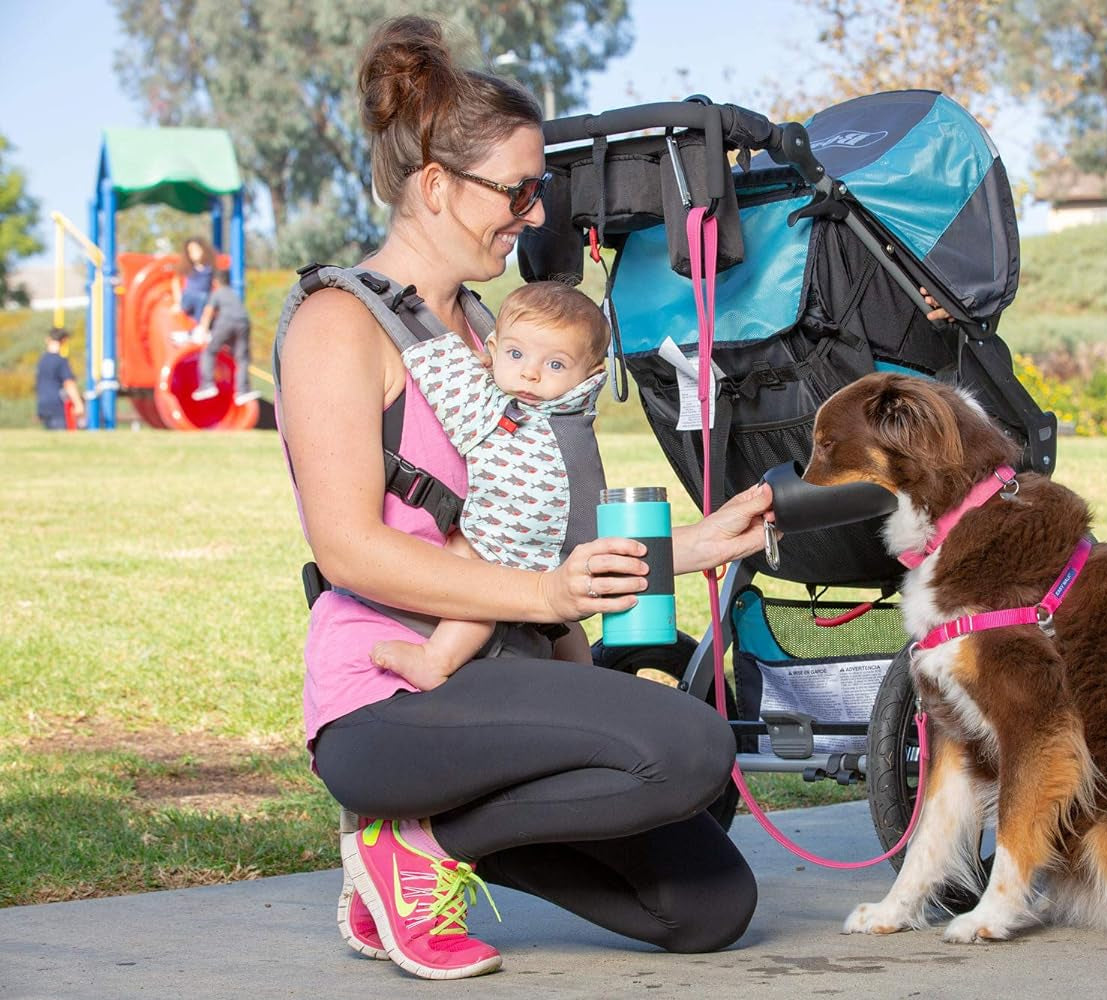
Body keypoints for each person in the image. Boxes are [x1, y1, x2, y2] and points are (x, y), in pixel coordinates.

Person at [275, 15, 771, 981]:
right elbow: (348, 551)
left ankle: (424, 843)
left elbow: (536, 528)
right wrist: (547, 600)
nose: (536, 214)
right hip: (391, 692)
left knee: (711, 903)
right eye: (519, 190)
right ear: (434, 187)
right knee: (688, 747)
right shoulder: (339, 325)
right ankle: (413, 847)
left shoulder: (493, 332)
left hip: (504, 676)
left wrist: (695, 546)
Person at [369, 280, 611, 690]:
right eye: (516, 355)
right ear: (494, 351)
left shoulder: (497, 413)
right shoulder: (573, 412)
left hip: (524, 533)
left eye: (555, 365)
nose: (530, 374)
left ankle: (436, 658)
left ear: (590, 376)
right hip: (575, 539)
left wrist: (401, 316)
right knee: (562, 627)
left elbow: (442, 379)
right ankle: (586, 685)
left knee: (473, 574)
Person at [191, 269, 259, 405]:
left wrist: (202, 331)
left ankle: (207, 384)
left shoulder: (217, 293)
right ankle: (242, 391)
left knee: (209, 352)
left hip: (226, 322)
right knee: (242, 358)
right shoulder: (233, 294)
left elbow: (208, 312)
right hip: (244, 322)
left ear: (215, 282)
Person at [35, 327, 84, 430]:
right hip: (57, 405)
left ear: (47, 339)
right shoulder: (61, 361)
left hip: (43, 405)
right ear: (64, 341)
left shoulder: (42, 360)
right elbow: (69, 383)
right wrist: (78, 404)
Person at [175, 237, 216, 321]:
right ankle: (199, 325)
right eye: (191, 252)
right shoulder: (188, 268)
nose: (194, 254)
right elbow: (175, 283)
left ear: (203, 250)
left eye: (196, 250)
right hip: (189, 297)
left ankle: (198, 325)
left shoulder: (209, 268)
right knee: (201, 297)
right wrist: (178, 302)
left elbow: (214, 283)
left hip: (203, 298)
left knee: (204, 298)